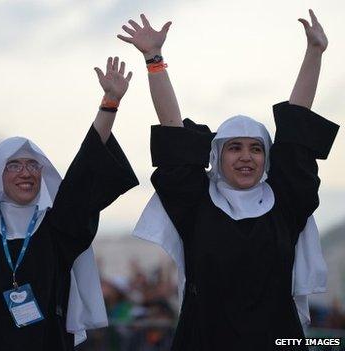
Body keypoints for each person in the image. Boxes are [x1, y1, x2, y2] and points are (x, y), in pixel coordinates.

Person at [124, 11, 339, 351]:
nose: (245, 156)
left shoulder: (285, 201)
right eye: (234, 148)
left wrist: (314, 52)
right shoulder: (196, 203)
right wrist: (154, 60)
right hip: (204, 338)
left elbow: (296, 126)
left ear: (267, 158)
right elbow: (173, 132)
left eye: (256, 148)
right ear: (217, 156)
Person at [0, 43, 139, 350]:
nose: (26, 172)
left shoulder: (58, 226)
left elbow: (84, 173)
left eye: (33, 165)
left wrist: (110, 103)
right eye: (15, 165)